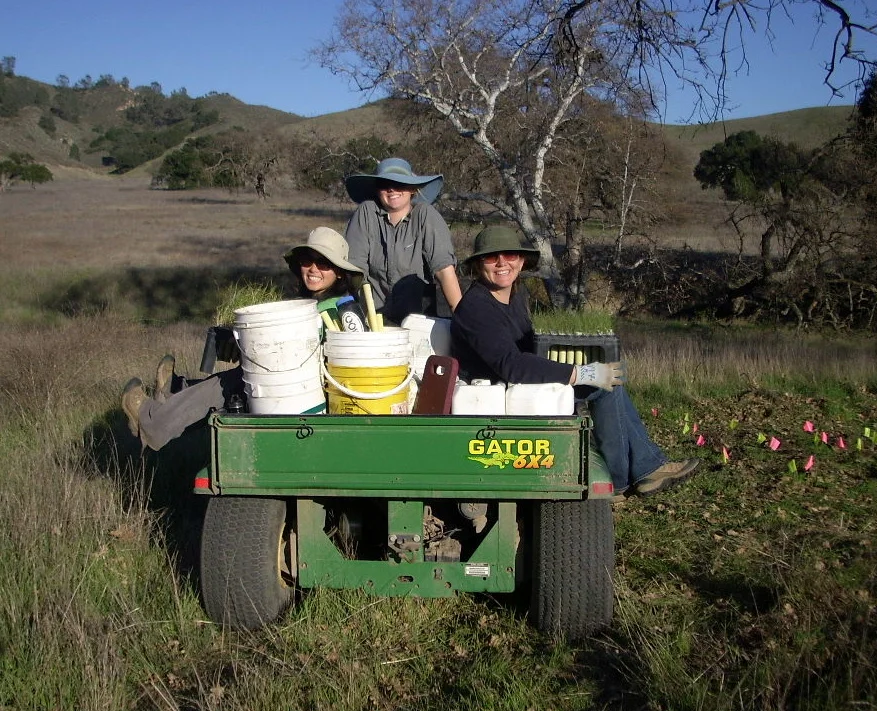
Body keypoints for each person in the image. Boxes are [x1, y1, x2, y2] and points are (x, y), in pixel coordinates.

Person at [450, 225, 700, 499]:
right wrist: (578, 373)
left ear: (521, 261)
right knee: (601, 387)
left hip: (519, 384)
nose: (502, 263)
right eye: (491, 258)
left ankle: (645, 467)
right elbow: (510, 365)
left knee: (611, 380)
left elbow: (529, 348)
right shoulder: (476, 307)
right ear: (477, 265)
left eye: (510, 255)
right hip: (501, 392)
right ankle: (622, 479)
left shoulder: (515, 296)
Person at [120, 227, 365, 451]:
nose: (313, 269)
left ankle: (152, 421)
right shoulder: (311, 303)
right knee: (239, 376)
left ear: (340, 273)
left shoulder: (341, 309)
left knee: (232, 383)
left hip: (306, 390)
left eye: (323, 263)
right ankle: (174, 392)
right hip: (290, 381)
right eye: (307, 261)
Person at [343, 157, 462, 324]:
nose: (392, 189)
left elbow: (444, 270)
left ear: (413, 188)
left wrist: (463, 320)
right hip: (372, 322)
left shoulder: (425, 215)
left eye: (400, 184)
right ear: (377, 189)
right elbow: (354, 270)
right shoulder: (366, 213)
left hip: (418, 322)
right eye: (385, 184)